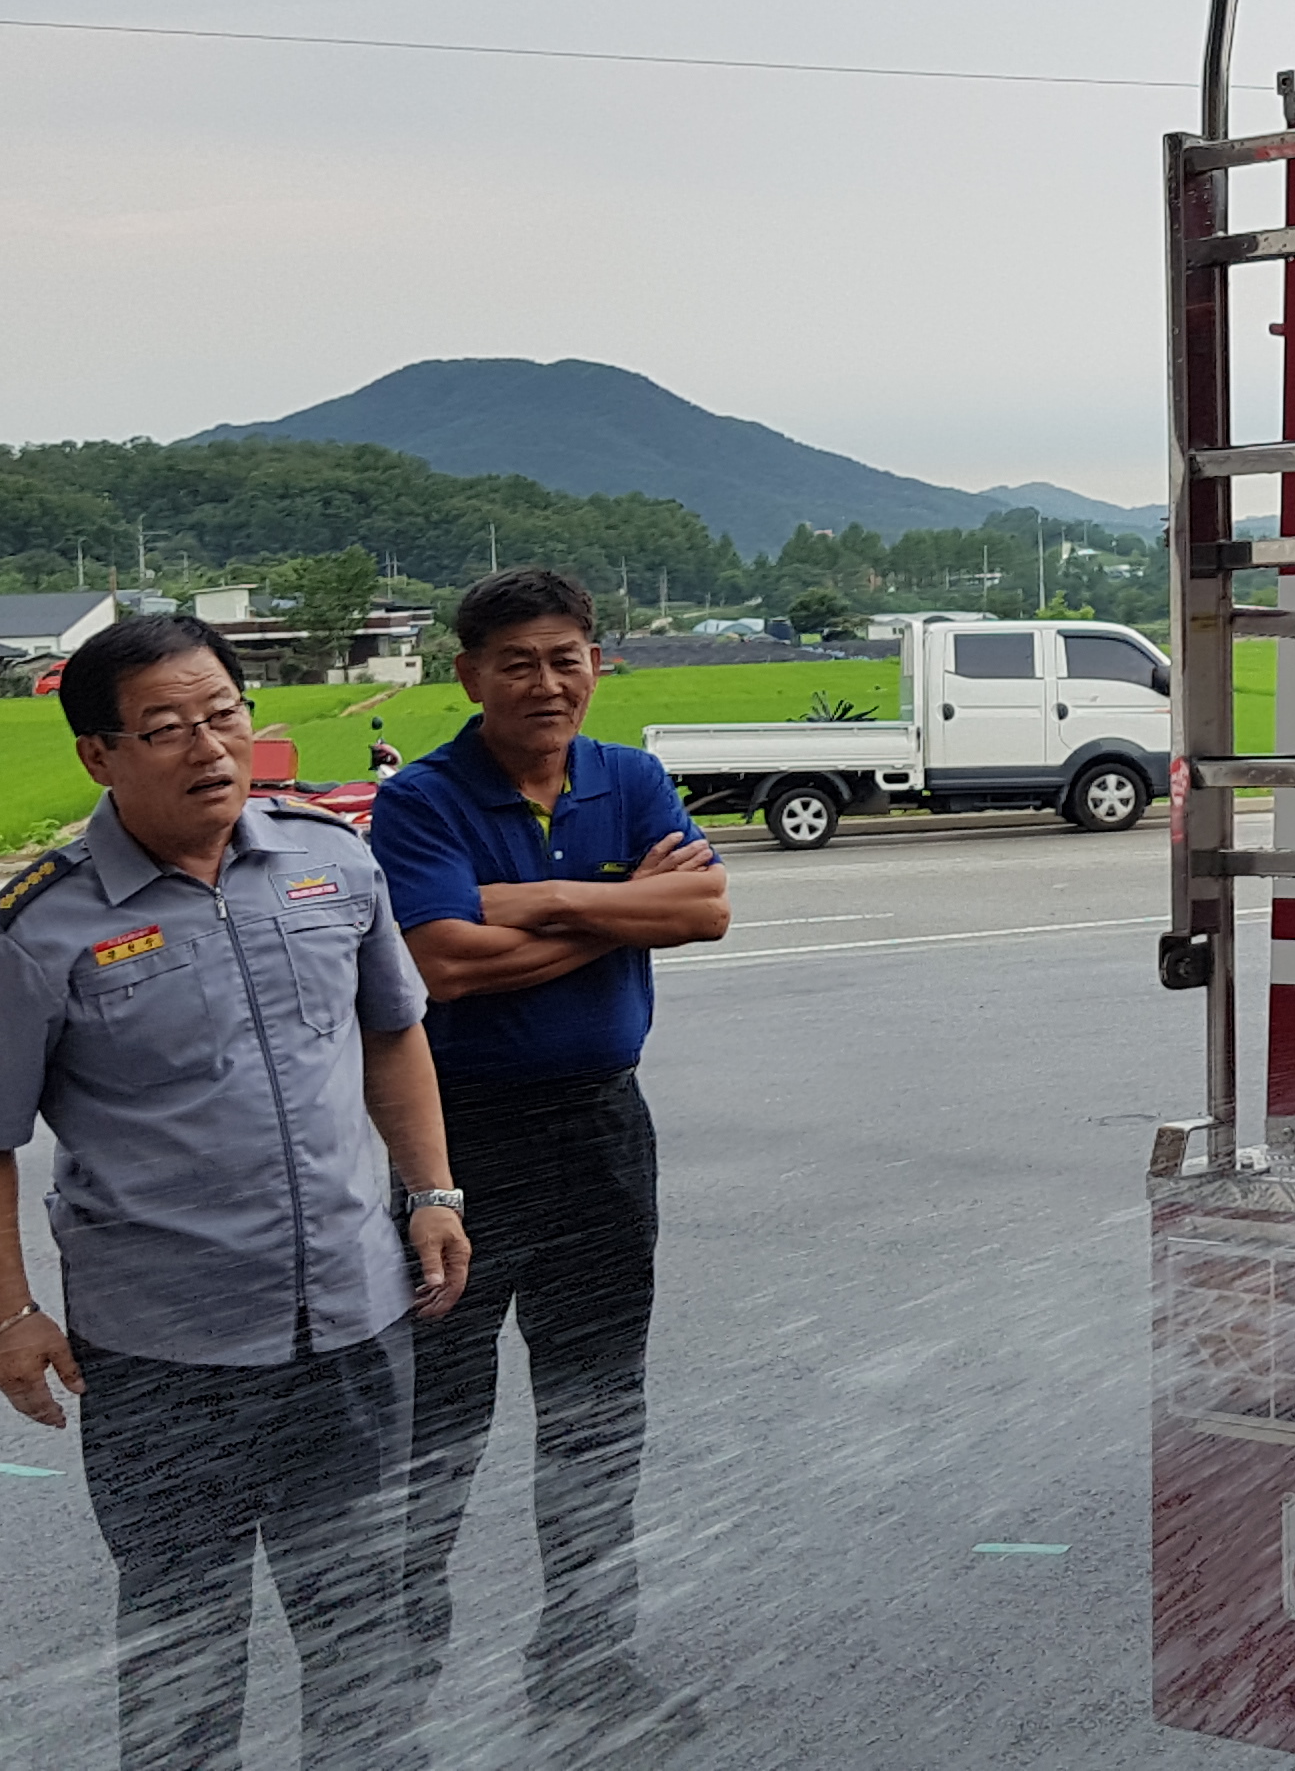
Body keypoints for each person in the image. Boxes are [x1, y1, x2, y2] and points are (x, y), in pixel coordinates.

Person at [0, 615, 470, 1771]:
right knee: (185, 1647)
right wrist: (8, 1314)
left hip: (353, 1324)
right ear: (99, 754)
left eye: (224, 714)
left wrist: (431, 1190)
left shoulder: (333, 861)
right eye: (167, 728)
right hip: (165, 1354)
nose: (210, 747)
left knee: (364, 1629)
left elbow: (392, 1034)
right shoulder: (38, 928)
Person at [371, 569, 727, 1736]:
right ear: (468, 675)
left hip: (605, 1130)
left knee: (598, 1410)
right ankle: (393, 1695)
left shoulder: (630, 777)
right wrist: (621, 903)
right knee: (438, 1425)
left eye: (566, 658)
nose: (546, 683)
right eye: (517, 662)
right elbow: (442, 966)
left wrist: (529, 903)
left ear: (595, 664)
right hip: (459, 1144)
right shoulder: (422, 800)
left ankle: (587, 1662)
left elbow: (705, 912)